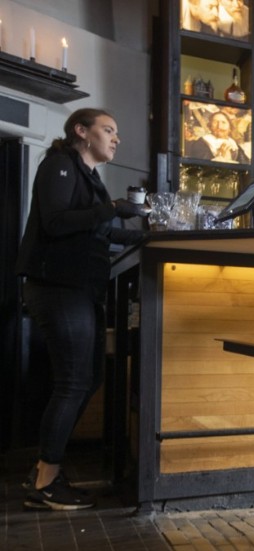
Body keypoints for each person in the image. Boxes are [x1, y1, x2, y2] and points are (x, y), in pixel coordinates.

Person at [16, 108, 145, 510]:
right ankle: (46, 483)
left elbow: (102, 231)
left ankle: (44, 469)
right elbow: (55, 222)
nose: (116, 138)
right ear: (81, 132)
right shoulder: (60, 164)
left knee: (87, 380)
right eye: (108, 129)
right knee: (73, 382)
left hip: (79, 290)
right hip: (57, 287)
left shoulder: (91, 179)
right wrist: (113, 208)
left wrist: (151, 229)